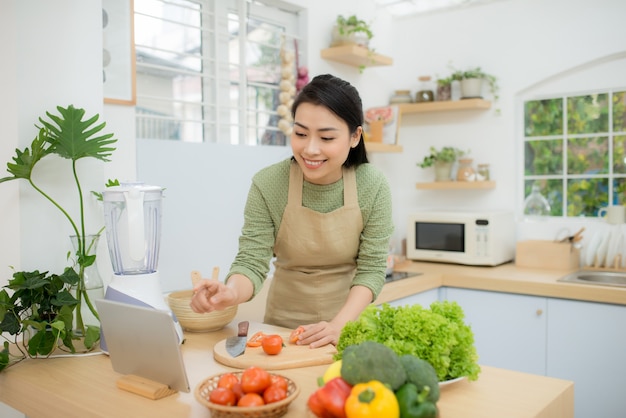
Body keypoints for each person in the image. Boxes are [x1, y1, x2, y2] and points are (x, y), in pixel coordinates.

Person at [190, 74, 394, 348]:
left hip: (350, 329)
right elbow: (252, 261)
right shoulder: (268, 183)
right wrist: (231, 292)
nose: (310, 149)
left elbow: (372, 269)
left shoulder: (373, 184)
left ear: (355, 136)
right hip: (283, 331)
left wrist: (338, 326)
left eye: (326, 137)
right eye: (300, 134)